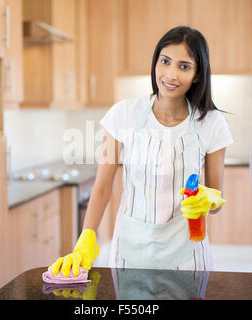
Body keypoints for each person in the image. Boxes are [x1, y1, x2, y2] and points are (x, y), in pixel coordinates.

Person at [50, 26, 233, 277]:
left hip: (188, 257)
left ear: (198, 75)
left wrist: (209, 199)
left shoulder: (211, 122)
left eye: (184, 66)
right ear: (155, 62)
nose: (170, 74)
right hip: (130, 254)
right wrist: (87, 236)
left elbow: (216, 200)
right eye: (165, 61)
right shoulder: (123, 114)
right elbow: (103, 185)